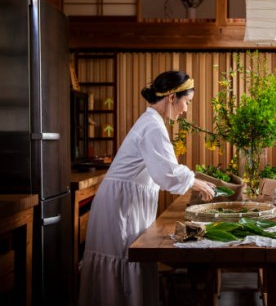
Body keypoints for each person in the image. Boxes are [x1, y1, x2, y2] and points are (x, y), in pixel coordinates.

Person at [79, 71, 215, 306]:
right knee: (123, 263)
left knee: (129, 263)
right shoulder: (153, 126)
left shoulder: (152, 122)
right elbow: (167, 174)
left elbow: (164, 171)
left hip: (123, 203)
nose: (185, 110)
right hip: (120, 207)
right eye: (186, 102)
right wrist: (195, 180)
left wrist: (193, 179)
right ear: (172, 97)